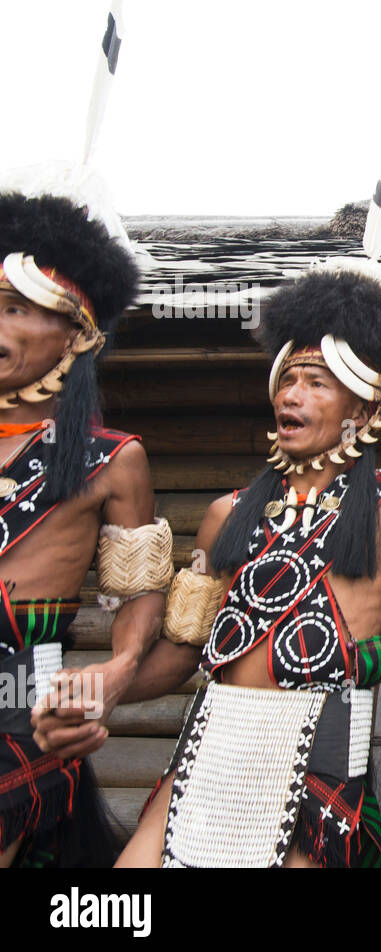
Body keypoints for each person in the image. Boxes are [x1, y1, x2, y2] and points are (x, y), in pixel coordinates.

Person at [110, 242, 381, 867]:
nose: (293, 394)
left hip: (320, 756)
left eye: (316, 382)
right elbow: (182, 650)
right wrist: (107, 685)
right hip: (211, 747)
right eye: (287, 379)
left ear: (365, 408)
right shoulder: (225, 514)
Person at [1, 182, 171, 867]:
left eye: (16, 308)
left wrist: (121, 667)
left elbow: (140, 593)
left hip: (21, 701)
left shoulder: (112, 460)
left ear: (75, 334)